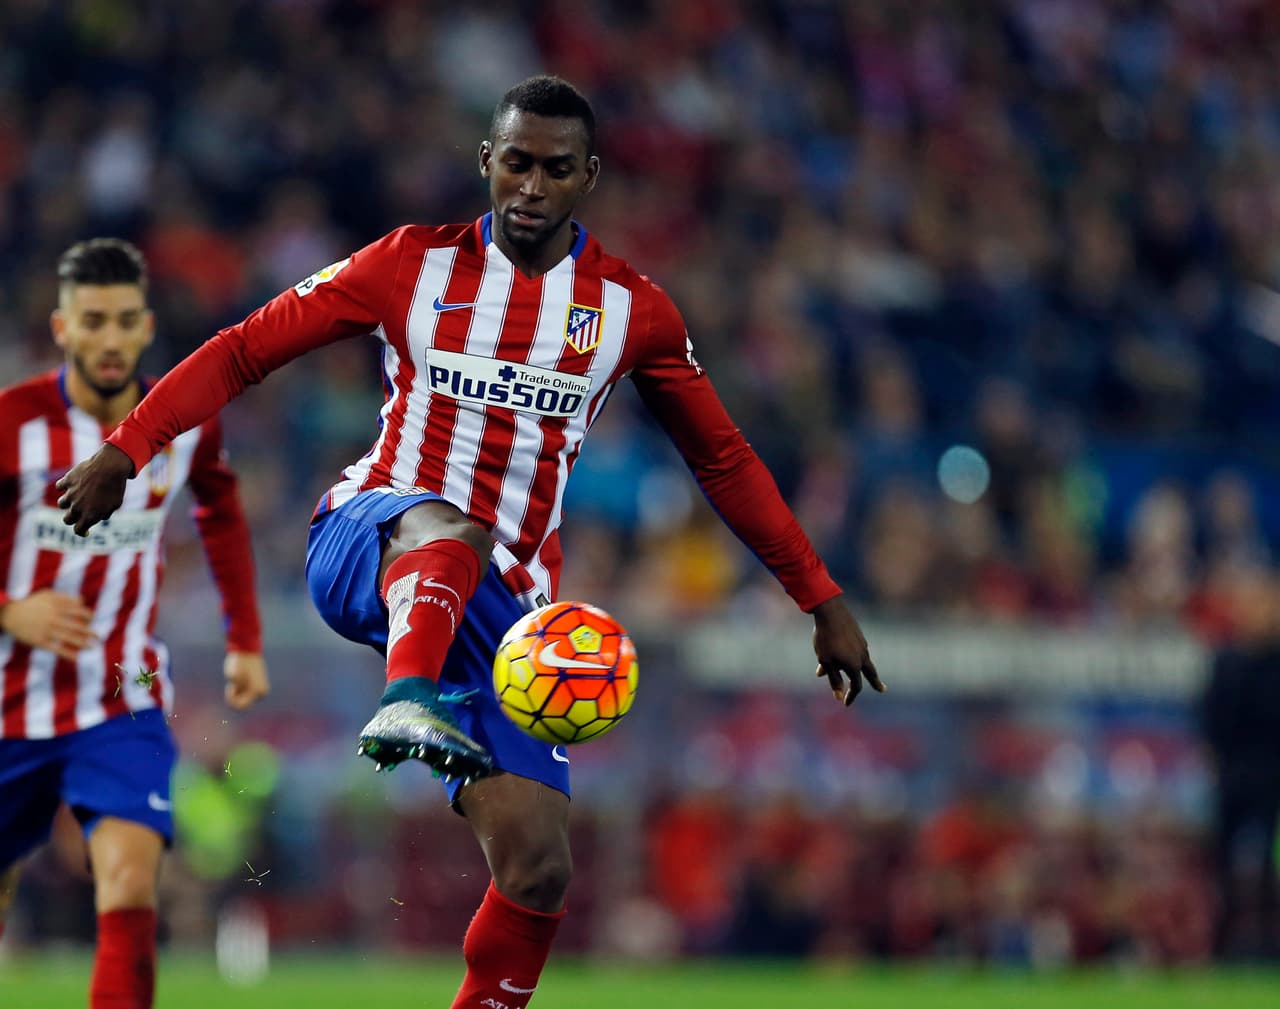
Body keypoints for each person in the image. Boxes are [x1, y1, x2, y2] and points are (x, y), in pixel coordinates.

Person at [56, 77, 882, 1008]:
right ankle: (406, 697)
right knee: (449, 526)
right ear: (487, 161)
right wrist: (129, 449)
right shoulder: (410, 265)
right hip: (369, 535)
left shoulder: (631, 311)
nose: (532, 185)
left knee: (537, 868)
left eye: (556, 169)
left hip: (508, 611)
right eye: (516, 162)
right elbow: (247, 347)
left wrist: (821, 597)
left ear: (589, 178)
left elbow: (723, 459)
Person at [0, 238, 269, 1008]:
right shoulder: (12, 423)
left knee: (129, 882)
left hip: (123, 692)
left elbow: (221, 509)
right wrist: (10, 609)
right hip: (10, 700)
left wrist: (245, 640)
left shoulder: (183, 425)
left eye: (124, 321)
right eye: (93, 321)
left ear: (146, 325)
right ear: (63, 328)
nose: (110, 339)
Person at [1200, 565, 1280, 960]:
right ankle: (1222, 945)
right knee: (1222, 866)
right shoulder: (1227, 661)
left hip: (1272, 777)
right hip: (1233, 777)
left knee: (1268, 866)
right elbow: (1210, 718)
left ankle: (1268, 944)